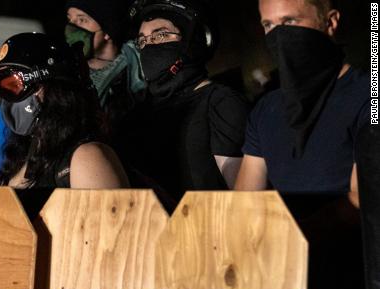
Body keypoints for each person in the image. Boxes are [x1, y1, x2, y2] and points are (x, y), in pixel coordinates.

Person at [235, 0, 366, 203]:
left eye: (289, 21)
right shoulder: (265, 110)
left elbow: (362, 206)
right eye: (268, 25)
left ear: (330, 22)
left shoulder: (367, 96)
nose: (279, 36)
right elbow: (244, 204)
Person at [120, 0, 248, 202]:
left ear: (192, 40)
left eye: (160, 35)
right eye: (143, 41)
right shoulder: (140, 113)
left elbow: (246, 199)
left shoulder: (220, 103)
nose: (148, 45)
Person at [0, 32, 129, 190]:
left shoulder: (86, 158)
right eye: (0, 87)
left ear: (49, 86)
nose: (7, 98)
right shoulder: (21, 159)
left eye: (14, 85)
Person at [64, 0, 145, 132]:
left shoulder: (138, 67)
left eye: (82, 20)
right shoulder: (67, 73)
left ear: (107, 31)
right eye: (69, 19)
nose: (71, 27)